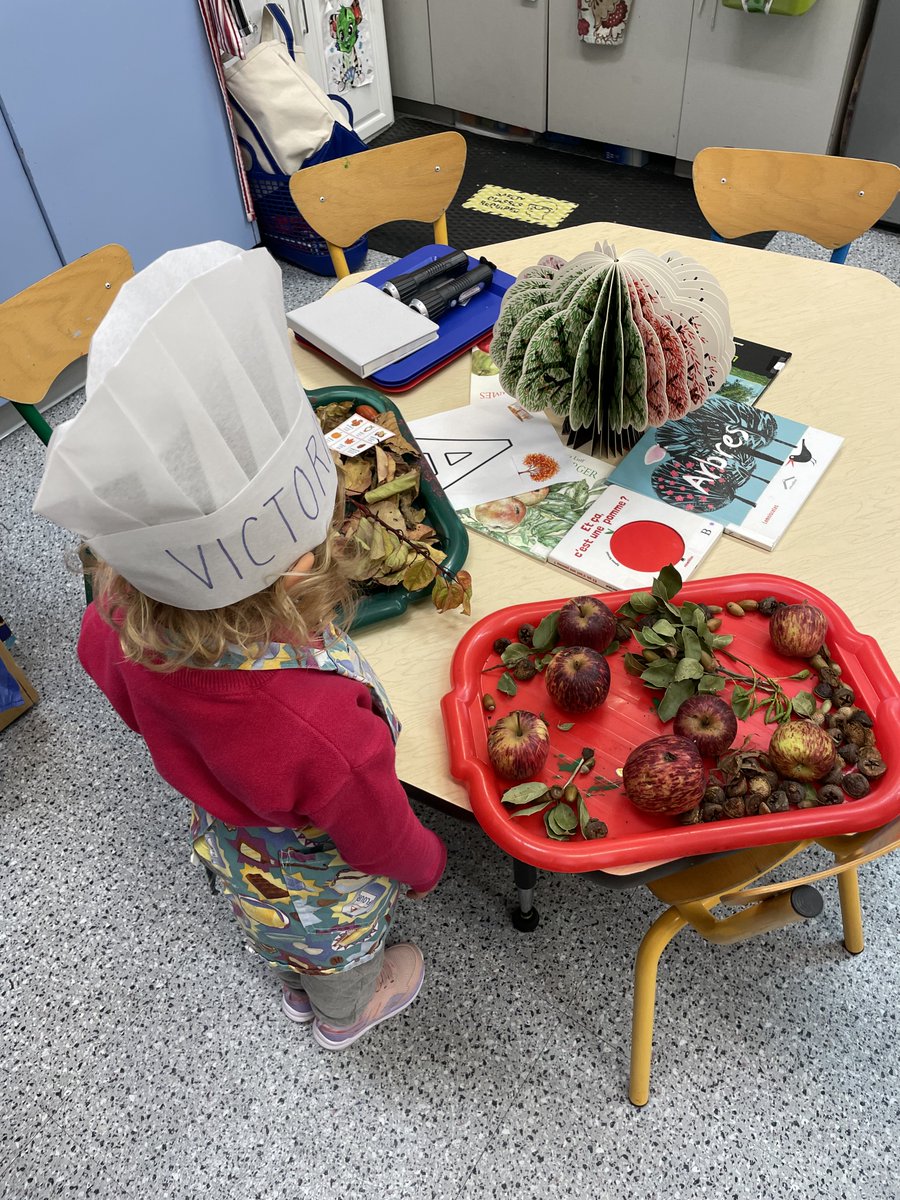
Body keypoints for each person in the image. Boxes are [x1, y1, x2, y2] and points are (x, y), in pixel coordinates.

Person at [33, 242, 447, 1049]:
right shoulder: (327, 730)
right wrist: (424, 860)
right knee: (338, 955)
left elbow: (119, 693)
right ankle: (342, 1013)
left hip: (237, 842)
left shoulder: (114, 619)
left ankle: (299, 982)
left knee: (273, 920)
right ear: (298, 572)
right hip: (327, 882)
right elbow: (375, 832)